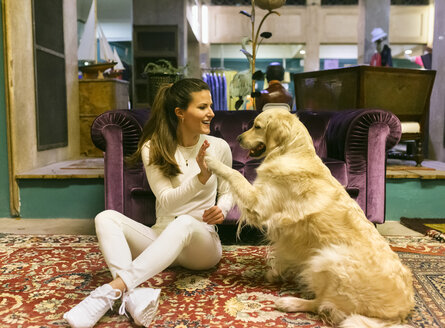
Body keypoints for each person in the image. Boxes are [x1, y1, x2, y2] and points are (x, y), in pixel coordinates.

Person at [63, 78, 234, 328]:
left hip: (201, 244)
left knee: (185, 222)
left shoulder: (218, 147)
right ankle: (131, 296)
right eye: (202, 107)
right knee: (105, 217)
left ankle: (109, 292)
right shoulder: (153, 147)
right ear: (180, 113)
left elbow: (228, 191)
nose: (211, 113)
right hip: (160, 239)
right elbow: (168, 202)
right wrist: (200, 178)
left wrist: (223, 209)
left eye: (210, 106)